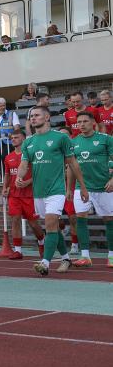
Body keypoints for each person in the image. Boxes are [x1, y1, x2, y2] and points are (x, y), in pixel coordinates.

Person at [18, 105, 88, 276]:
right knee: (53, 228)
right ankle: (65, 258)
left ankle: (45, 263)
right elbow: (24, 164)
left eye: (36, 115)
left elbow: (73, 163)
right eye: (31, 116)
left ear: (47, 117)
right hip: (38, 192)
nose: (33, 118)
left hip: (56, 190)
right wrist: (19, 177)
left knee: (50, 224)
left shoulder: (60, 138)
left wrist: (82, 187)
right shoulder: (28, 142)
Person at [69, 112, 113, 268]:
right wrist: (70, 188)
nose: (81, 124)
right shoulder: (73, 142)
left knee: (109, 219)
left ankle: (111, 256)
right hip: (82, 188)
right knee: (80, 217)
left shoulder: (106, 139)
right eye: (79, 121)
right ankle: (85, 256)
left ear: (93, 122)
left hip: (104, 187)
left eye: (85, 121)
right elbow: (71, 168)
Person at [2, 131, 46, 259]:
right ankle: (18, 250)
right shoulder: (8, 157)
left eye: (16, 137)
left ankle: (41, 241)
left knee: (33, 223)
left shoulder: (30, 155)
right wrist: (5, 188)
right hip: (14, 195)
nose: (14, 140)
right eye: (12, 138)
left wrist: (28, 182)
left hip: (29, 195)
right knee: (15, 220)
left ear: (24, 139)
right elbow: (7, 175)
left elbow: (39, 173)